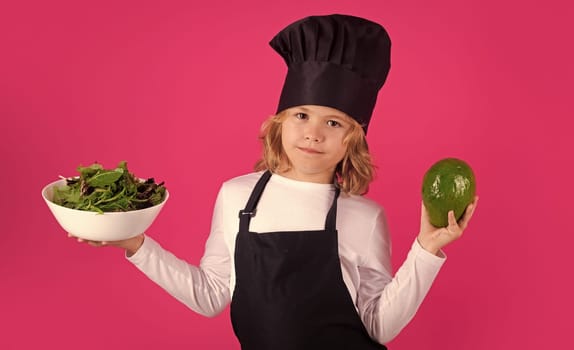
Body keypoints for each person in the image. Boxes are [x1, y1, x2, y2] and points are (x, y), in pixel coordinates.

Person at [73, 14, 478, 349]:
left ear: (352, 140)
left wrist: (426, 250)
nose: (313, 133)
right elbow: (210, 295)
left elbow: (379, 326)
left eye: (332, 122)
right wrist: (136, 245)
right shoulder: (237, 197)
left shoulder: (365, 217)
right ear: (279, 123)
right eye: (301, 115)